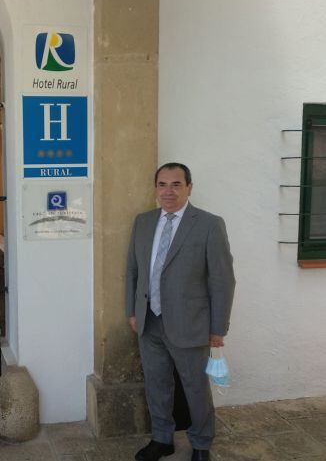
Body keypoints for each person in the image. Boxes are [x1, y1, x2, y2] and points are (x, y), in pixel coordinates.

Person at [125, 163, 235, 461]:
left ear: (189, 187)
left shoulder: (209, 224)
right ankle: (162, 439)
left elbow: (222, 280)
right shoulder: (143, 222)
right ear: (156, 188)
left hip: (191, 324)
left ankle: (201, 444)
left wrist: (218, 328)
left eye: (176, 184)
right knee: (157, 384)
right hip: (149, 321)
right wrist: (132, 312)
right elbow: (133, 271)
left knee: (195, 388)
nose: (168, 191)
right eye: (162, 184)